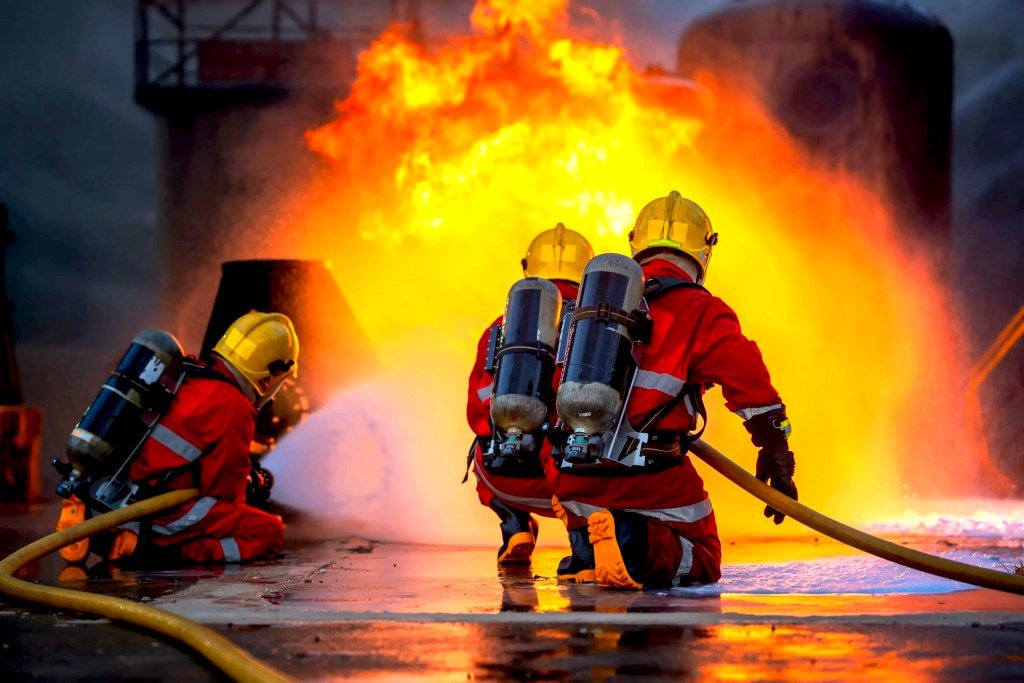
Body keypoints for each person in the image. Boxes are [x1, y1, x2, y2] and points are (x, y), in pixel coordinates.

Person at [548, 191, 798, 589]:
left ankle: (585, 552)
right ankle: (635, 543)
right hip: (649, 481)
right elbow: (747, 377)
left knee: (592, 508)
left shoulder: (585, 306)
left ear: (638, 244)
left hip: (572, 481)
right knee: (704, 554)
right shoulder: (698, 308)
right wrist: (775, 446)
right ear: (703, 252)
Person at [113, 311, 299, 565]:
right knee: (269, 532)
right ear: (268, 376)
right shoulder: (235, 406)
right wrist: (248, 492)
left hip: (125, 493)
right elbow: (223, 492)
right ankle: (159, 552)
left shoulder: (195, 375)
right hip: (160, 511)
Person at [466, 224, 594, 565]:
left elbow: (477, 409)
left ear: (528, 269)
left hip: (508, 478)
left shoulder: (501, 326)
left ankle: (514, 524)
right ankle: (582, 541)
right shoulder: (592, 323)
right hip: (580, 481)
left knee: (479, 450)